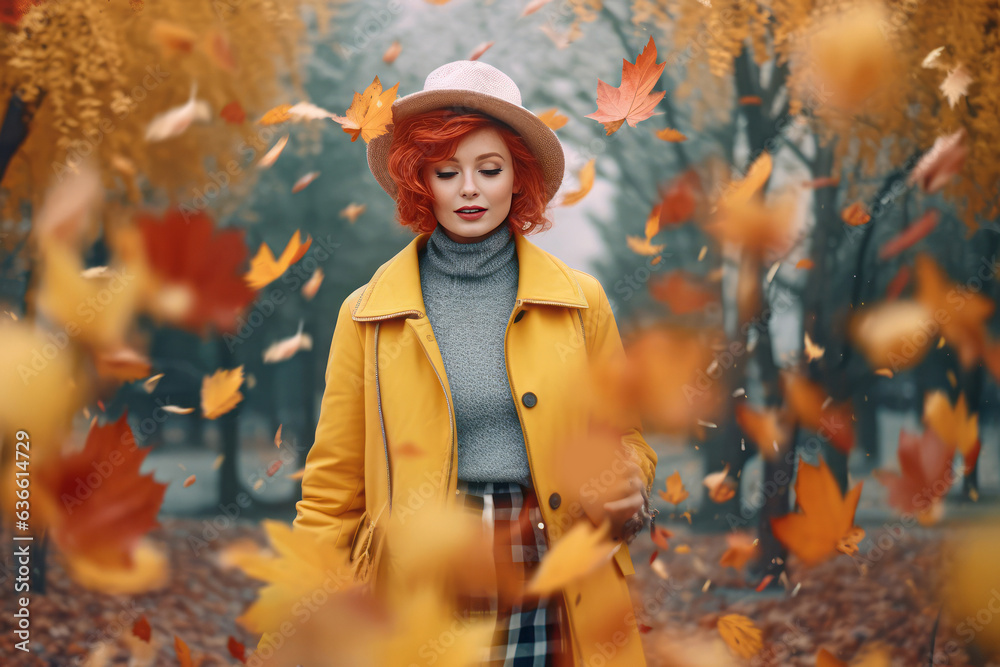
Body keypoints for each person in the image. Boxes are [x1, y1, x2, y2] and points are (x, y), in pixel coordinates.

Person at [294, 60, 657, 666]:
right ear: (420, 182)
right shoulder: (365, 314)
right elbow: (332, 488)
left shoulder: (581, 301)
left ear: (518, 179)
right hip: (422, 570)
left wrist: (625, 481)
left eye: (489, 170)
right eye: (446, 171)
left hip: (554, 563)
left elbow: (628, 441)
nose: (469, 189)